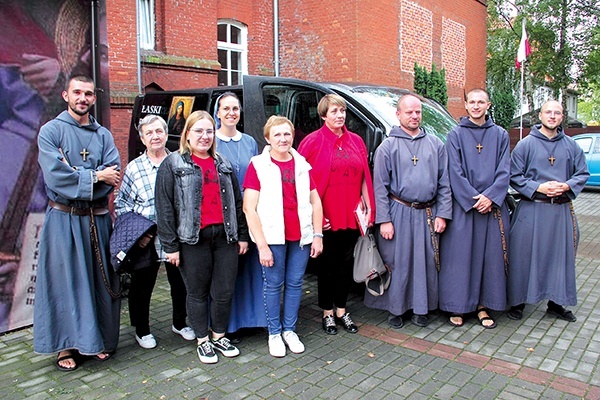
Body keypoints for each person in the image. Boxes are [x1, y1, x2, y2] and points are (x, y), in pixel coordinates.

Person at [34, 75, 121, 371]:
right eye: (77, 93)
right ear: (65, 95)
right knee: (65, 282)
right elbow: (56, 176)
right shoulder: (51, 132)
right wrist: (95, 175)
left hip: (97, 220)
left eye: (87, 93)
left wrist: (80, 174)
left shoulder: (103, 136)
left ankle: (97, 341)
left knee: (99, 281)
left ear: (94, 98)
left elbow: (114, 174)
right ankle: (66, 346)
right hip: (64, 219)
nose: (82, 98)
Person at [155, 110, 249, 364]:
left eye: (209, 131)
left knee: (224, 291)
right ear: (187, 133)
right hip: (192, 239)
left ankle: (218, 336)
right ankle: (202, 341)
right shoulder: (173, 164)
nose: (204, 136)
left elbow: (236, 202)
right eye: (198, 131)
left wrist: (242, 235)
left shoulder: (223, 163)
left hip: (225, 238)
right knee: (197, 292)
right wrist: (170, 246)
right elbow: (164, 207)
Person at [364, 94, 451, 328]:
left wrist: (443, 213)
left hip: (427, 213)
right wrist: (384, 220)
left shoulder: (435, 144)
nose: (414, 116)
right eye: (409, 112)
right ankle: (396, 309)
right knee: (398, 262)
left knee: (425, 263)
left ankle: (421, 309)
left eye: (418, 112)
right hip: (398, 211)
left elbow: (444, 182)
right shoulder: (387, 147)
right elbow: (379, 187)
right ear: (398, 114)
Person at [243, 116, 323, 357]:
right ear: (267, 138)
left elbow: (315, 202)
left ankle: (290, 330)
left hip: (300, 237)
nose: (283, 139)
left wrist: (317, 235)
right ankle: (274, 333)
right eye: (277, 135)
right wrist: (262, 245)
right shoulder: (258, 165)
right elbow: (249, 208)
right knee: (273, 285)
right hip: (272, 238)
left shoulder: (301, 164)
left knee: (296, 283)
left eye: (287, 134)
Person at [114, 115, 194, 349]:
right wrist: (140, 233)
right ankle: (142, 329)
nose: (155, 136)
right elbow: (122, 204)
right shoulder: (134, 169)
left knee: (180, 283)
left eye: (158, 131)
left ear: (166, 134)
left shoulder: (181, 162)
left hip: (176, 237)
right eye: (149, 133)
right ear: (142, 138)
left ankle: (180, 323)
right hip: (146, 239)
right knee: (142, 286)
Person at [298, 94, 375, 335]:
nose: (340, 115)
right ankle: (327, 312)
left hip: (351, 213)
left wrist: (368, 207)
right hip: (326, 214)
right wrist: (315, 217)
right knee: (326, 266)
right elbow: (302, 183)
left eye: (342, 111)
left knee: (345, 265)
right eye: (334, 111)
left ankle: (342, 310)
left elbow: (364, 174)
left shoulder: (356, 141)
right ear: (323, 115)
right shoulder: (312, 142)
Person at [507, 100, 589, 322]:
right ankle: (517, 301)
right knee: (523, 254)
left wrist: (567, 185)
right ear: (540, 116)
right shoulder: (526, 145)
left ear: (562, 117)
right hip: (532, 208)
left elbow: (582, 174)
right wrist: (538, 187)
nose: (552, 116)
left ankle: (556, 302)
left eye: (557, 113)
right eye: (548, 112)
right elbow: (513, 175)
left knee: (558, 256)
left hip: (560, 211)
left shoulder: (571, 146)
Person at [438, 89, 510, 329]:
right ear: (466, 106)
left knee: (488, 259)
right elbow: (454, 172)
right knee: (460, 258)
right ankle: (457, 305)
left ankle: (483, 305)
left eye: (481, 102)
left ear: (488, 105)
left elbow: (504, 170)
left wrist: (489, 197)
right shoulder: (455, 135)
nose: (477, 106)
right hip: (464, 209)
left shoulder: (500, 135)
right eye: (472, 102)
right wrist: (473, 199)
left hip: (491, 209)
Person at [212, 92, 265, 337]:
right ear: (218, 113)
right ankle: (228, 324)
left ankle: (252, 319)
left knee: (250, 268)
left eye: (235, 108)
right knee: (227, 271)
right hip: (224, 215)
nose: (231, 113)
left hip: (250, 213)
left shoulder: (250, 142)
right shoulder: (211, 141)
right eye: (226, 109)